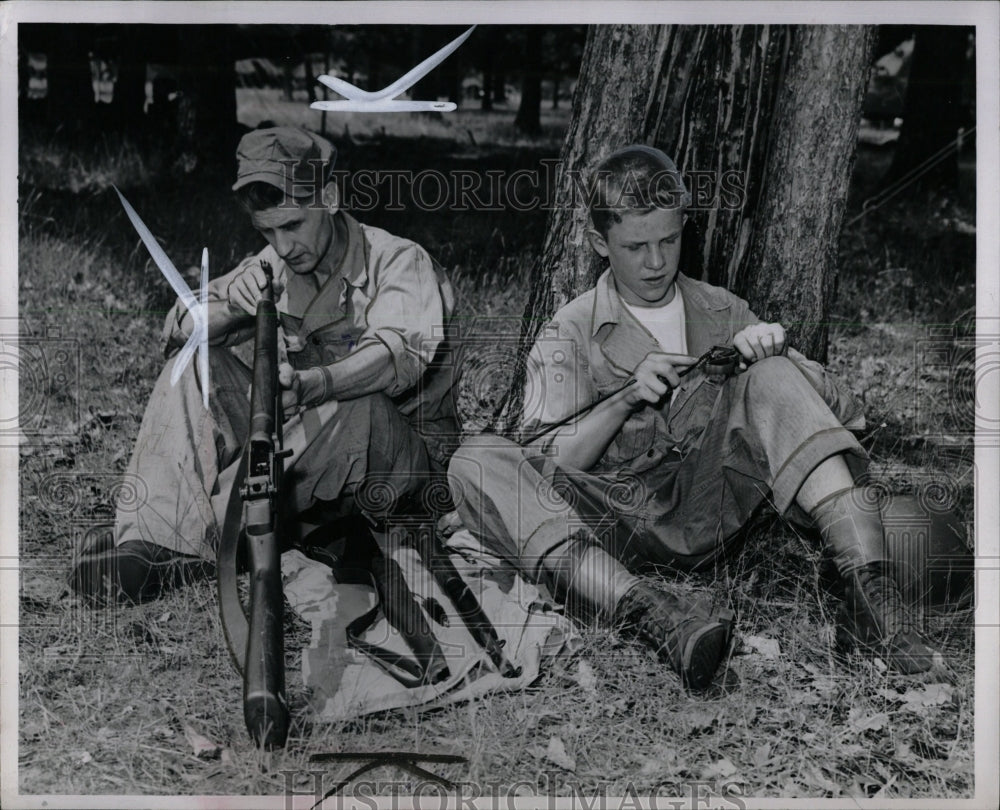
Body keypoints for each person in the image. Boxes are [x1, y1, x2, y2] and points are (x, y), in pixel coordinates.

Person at [447, 145, 940, 690]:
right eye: (635, 246)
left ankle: (871, 603)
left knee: (773, 373)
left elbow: (847, 414)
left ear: (685, 224)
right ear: (598, 244)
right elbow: (547, 465)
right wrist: (625, 398)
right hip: (612, 529)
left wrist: (776, 354)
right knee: (476, 458)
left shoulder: (722, 309)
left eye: (669, 239)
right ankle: (655, 615)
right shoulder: (570, 330)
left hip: (712, 509)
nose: (656, 262)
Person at [71, 126, 458, 604]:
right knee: (198, 364)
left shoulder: (397, 261)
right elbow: (179, 327)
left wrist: (317, 384)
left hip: (399, 462)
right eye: (266, 231)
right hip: (308, 454)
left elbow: (396, 358)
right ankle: (151, 541)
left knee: (360, 407)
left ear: (330, 198)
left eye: (293, 225)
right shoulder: (275, 261)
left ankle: (176, 538)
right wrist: (233, 307)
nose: (283, 245)